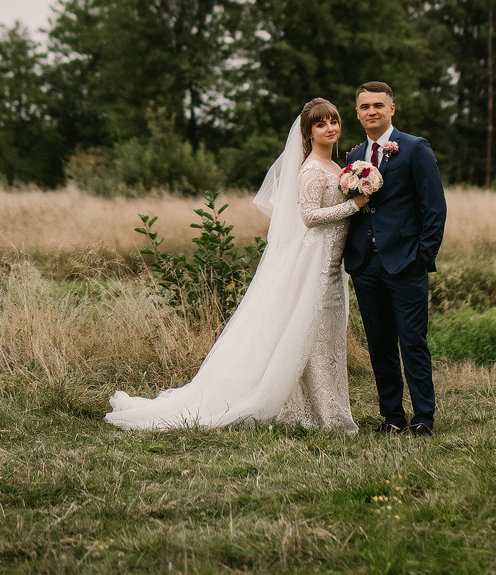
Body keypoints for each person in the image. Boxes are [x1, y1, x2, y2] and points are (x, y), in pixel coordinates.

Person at [105, 99, 366, 433]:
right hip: (313, 263)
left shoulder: (335, 166)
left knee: (323, 337)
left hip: (330, 262)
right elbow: (310, 216)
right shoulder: (313, 169)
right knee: (309, 334)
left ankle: (319, 409)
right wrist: (355, 205)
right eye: (321, 124)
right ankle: (318, 414)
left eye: (333, 121)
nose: (330, 128)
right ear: (308, 132)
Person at [343, 81, 447, 436]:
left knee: (413, 341)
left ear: (391, 109)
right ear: (357, 114)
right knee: (379, 344)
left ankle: (423, 417)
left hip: (406, 262)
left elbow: (434, 208)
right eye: (364, 106)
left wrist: (422, 256)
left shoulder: (415, 148)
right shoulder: (353, 157)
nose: (371, 111)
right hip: (366, 265)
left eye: (378, 105)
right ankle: (392, 417)